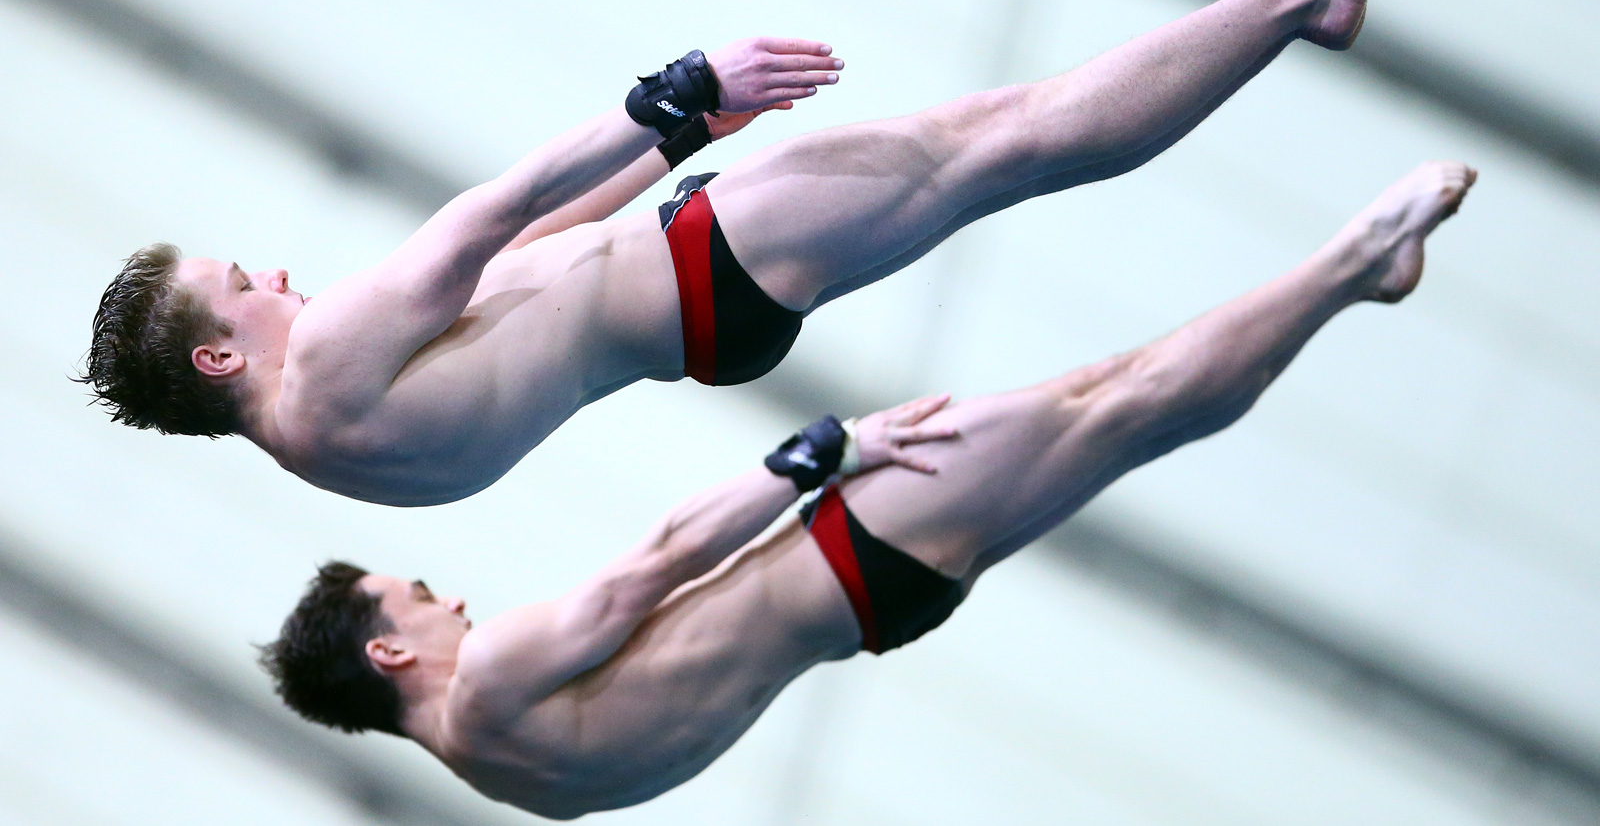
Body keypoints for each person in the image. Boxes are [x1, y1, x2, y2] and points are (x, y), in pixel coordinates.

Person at [81, 0, 1443, 505]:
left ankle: (1290, 16)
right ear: (218, 353)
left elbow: (533, 274)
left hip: (690, 318)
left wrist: (677, 145)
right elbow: (489, 217)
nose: (279, 280)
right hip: (697, 267)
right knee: (1014, 137)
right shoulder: (314, 368)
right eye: (244, 281)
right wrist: (670, 91)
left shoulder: (335, 450)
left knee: (1005, 157)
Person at [260, 161, 1476, 818]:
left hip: (866, 607)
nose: (447, 603)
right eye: (415, 597)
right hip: (847, 537)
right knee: (1119, 399)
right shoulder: (493, 681)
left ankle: (1350, 276)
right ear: (387, 656)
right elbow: (659, 560)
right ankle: (1357, 264)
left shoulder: (522, 790)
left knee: (1120, 409)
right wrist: (820, 452)